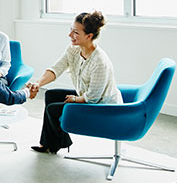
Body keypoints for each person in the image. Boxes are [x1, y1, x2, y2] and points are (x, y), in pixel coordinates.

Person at [26, 11, 122, 154]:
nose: (70, 35)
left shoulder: (99, 61)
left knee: (53, 109)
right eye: (71, 30)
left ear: (89, 36)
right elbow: (56, 68)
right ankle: (48, 144)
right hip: (88, 97)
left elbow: (94, 97)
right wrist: (38, 84)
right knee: (51, 95)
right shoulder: (73, 50)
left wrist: (76, 99)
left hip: (102, 106)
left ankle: (61, 142)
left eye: (75, 32)